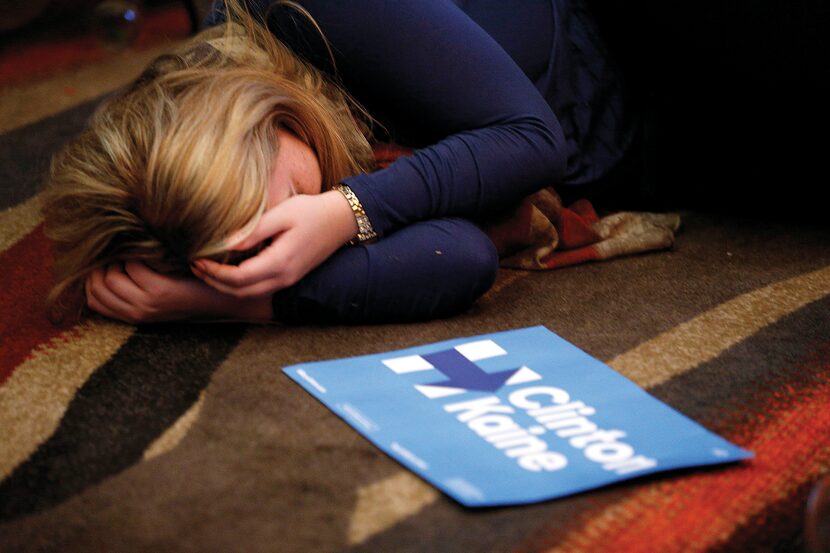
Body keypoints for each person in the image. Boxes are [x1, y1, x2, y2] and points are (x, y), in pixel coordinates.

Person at [43, 0, 637, 324]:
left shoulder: (315, 8)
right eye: (268, 249)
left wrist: (348, 210)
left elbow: (533, 137)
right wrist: (235, 299)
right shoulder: (235, 191)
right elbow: (461, 255)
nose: (298, 238)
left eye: (289, 212)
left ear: (261, 115)